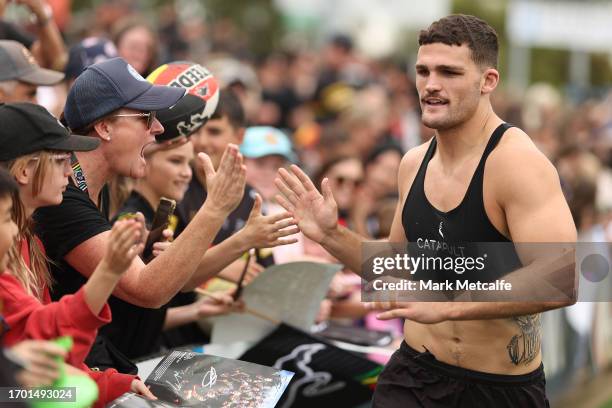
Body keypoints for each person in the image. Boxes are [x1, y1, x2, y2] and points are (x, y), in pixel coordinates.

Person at [275, 14, 576, 407]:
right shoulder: (413, 163)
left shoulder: (516, 163)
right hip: (413, 376)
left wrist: (450, 302)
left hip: (497, 388)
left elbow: (562, 277)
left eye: (449, 72)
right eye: (423, 71)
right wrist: (332, 235)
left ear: (488, 81)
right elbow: (397, 271)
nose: (431, 84)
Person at [33, 57, 247, 370]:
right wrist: (215, 209)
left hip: (87, 360)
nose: (158, 128)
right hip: (52, 381)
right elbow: (148, 290)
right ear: (105, 127)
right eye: (146, 117)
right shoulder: (61, 198)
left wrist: (142, 248)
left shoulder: (88, 183)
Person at [0, 103, 153, 405]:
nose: (71, 171)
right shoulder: (12, 249)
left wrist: (111, 383)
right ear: (25, 171)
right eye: (60, 160)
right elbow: (38, 357)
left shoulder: (29, 242)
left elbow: (52, 364)